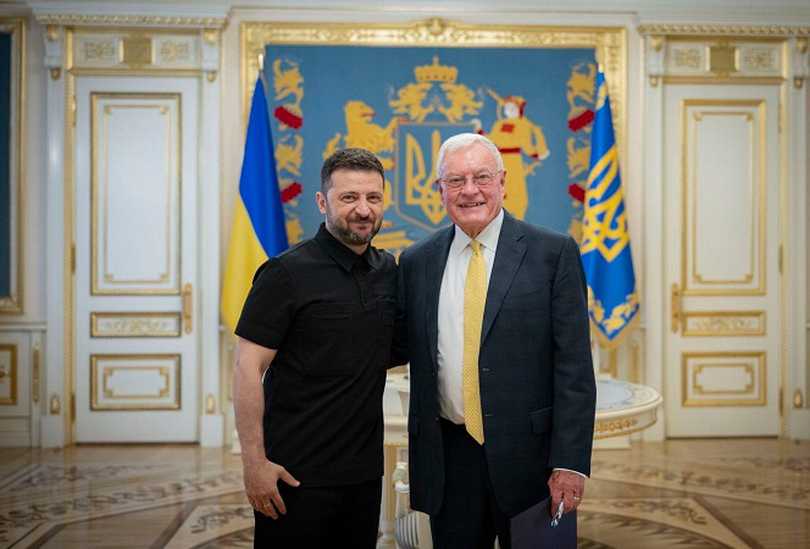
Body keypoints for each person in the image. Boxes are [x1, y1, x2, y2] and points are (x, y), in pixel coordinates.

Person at [397, 133, 596, 548]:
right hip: (448, 462)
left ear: (503, 182)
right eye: (456, 180)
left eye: (481, 177)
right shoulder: (416, 261)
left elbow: (574, 368)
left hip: (533, 463)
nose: (469, 190)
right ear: (440, 189)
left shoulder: (553, 253)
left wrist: (570, 463)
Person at [233, 147, 400, 548]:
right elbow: (247, 368)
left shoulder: (388, 271)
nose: (363, 210)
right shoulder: (285, 273)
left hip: (363, 476)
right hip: (293, 476)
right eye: (349, 197)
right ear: (323, 202)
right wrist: (254, 464)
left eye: (373, 198)